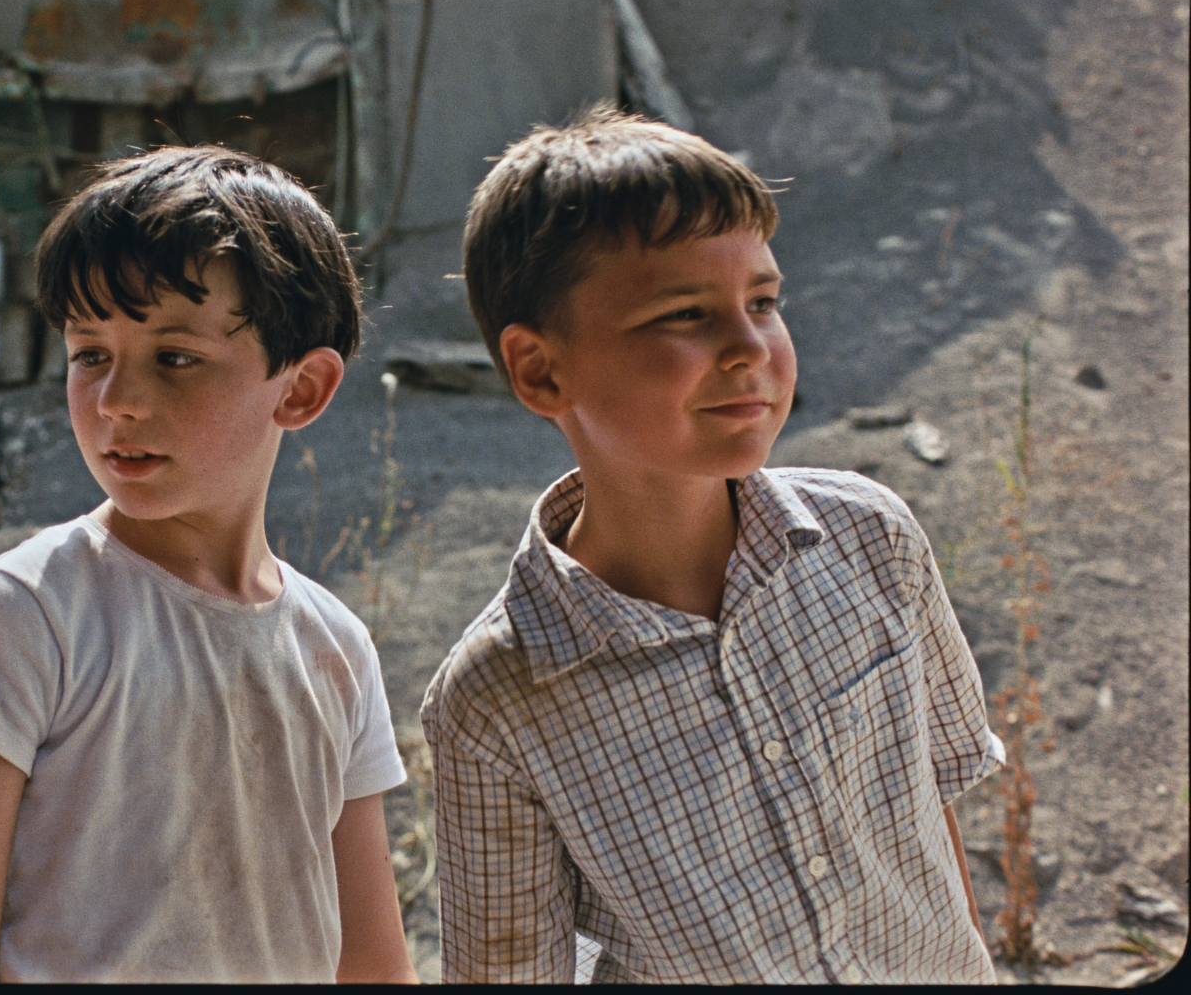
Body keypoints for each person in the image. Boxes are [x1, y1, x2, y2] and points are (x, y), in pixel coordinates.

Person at [420, 105, 1004, 983]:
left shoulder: (873, 540)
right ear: (541, 369)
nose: (748, 347)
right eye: (686, 315)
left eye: (763, 303)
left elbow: (932, 810)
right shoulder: (498, 702)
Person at [0, 146, 415, 983]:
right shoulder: (27, 612)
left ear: (300, 389)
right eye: (89, 354)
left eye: (174, 357)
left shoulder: (335, 648)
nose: (117, 401)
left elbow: (372, 963)